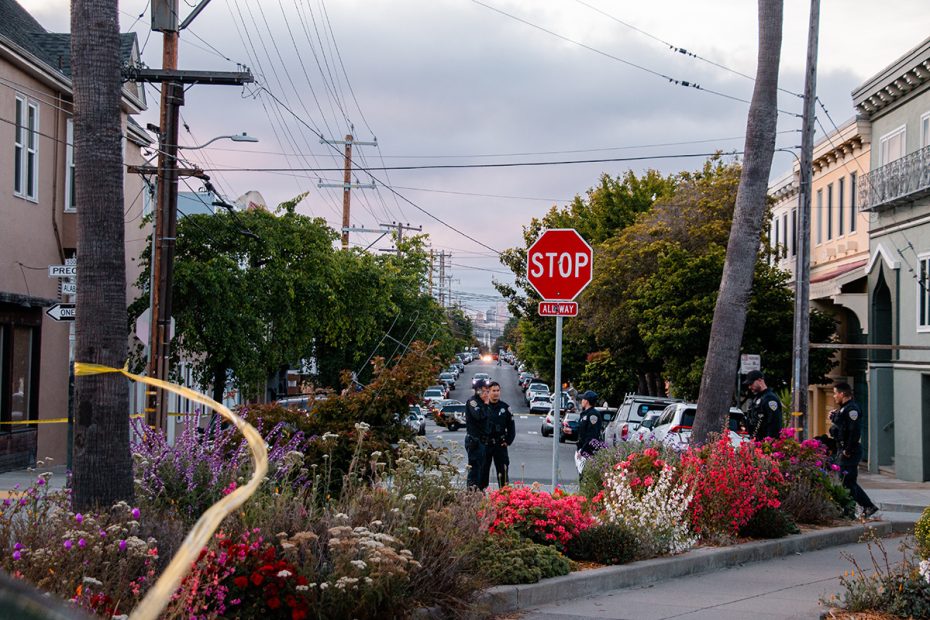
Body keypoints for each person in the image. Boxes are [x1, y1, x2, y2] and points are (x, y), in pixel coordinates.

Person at [829, 382, 879, 519]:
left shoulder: (852, 410)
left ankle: (853, 510)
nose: (834, 396)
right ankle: (861, 507)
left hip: (849, 452)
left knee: (848, 482)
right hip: (843, 450)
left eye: (835, 393)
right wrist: (834, 417)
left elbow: (854, 431)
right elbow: (841, 428)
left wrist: (848, 450)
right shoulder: (844, 409)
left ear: (842, 394)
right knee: (847, 481)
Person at [480, 381, 515, 489]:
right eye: (493, 391)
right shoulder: (483, 407)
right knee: (483, 471)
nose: (496, 393)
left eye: (498, 390)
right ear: (488, 392)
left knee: (503, 472)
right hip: (486, 444)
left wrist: (508, 441)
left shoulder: (505, 408)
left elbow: (511, 427)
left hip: (500, 444)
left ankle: (504, 496)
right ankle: (480, 495)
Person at [464, 380, 490, 489]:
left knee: (482, 467)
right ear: (477, 390)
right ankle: (472, 492)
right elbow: (479, 416)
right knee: (474, 467)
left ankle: (479, 489)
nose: (485, 393)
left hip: (482, 439)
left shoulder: (483, 403)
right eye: (483, 391)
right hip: (474, 439)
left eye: (486, 391)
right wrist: (485, 404)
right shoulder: (473, 402)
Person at [743, 370, 783, 441]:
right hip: (756, 441)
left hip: (765, 443)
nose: (749, 387)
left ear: (760, 380)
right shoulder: (757, 398)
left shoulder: (770, 399)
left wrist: (768, 443)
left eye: (751, 383)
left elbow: (774, 423)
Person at [575, 390, 603, 473]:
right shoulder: (585, 414)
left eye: (583, 399)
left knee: (585, 475)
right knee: (581, 474)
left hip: (588, 451)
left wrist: (583, 450)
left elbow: (592, 435)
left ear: (586, 401)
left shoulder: (593, 415)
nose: (581, 401)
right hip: (581, 448)